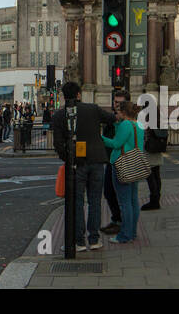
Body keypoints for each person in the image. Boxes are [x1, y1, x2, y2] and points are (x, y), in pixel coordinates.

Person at [51, 81, 117, 253]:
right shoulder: (93, 109)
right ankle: (94, 239)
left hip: (76, 164)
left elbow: (57, 143)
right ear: (79, 94)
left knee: (76, 202)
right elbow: (111, 119)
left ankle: (78, 242)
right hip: (96, 160)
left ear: (64, 96)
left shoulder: (59, 115)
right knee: (95, 201)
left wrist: (68, 158)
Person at [103, 100, 145, 244]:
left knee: (124, 202)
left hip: (122, 163)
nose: (116, 114)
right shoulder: (138, 125)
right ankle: (132, 232)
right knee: (133, 201)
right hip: (135, 163)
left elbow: (116, 144)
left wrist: (99, 138)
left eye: (118, 111)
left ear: (123, 113)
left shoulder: (126, 125)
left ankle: (124, 235)